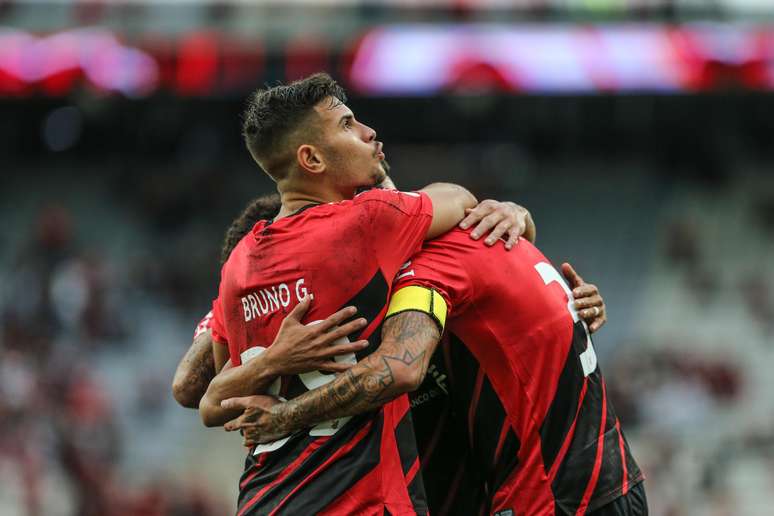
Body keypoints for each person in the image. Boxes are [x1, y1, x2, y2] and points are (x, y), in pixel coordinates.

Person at [197, 73, 543, 515]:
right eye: (346, 125)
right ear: (312, 159)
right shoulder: (366, 222)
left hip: (263, 498)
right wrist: (513, 212)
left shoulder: (239, 262)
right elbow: (458, 197)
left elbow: (213, 399)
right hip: (356, 501)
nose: (367, 133)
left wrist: (271, 362)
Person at [222, 230, 645, 515]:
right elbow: (195, 392)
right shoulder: (486, 235)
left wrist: (285, 415)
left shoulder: (426, 270)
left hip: (555, 496)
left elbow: (400, 369)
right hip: (607, 477)